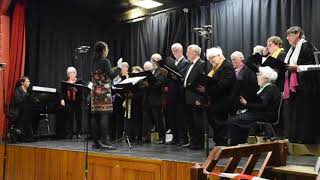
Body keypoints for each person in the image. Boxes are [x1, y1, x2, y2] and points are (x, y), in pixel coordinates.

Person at [283, 26, 320, 144]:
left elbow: (314, 66)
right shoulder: (292, 50)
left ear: (298, 34)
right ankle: (295, 137)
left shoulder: (307, 47)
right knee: (294, 114)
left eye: (290, 35)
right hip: (294, 87)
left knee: (304, 114)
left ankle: (306, 139)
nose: (287, 38)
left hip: (306, 87)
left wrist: (297, 68)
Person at [228, 66, 281, 145]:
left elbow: (263, 105)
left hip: (265, 115)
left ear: (266, 78)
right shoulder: (266, 88)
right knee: (235, 119)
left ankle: (236, 144)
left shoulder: (270, 88)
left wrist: (247, 103)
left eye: (260, 74)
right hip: (259, 113)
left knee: (235, 120)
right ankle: (238, 144)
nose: (257, 76)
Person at [197, 47, 236, 146]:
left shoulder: (227, 66)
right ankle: (218, 143)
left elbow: (224, 85)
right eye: (209, 59)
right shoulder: (216, 67)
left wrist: (207, 89)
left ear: (219, 55)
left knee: (220, 124)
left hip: (223, 100)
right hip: (215, 100)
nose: (211, 61)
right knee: (215, 123)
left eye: (212, 58)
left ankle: (221, 144)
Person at [91, 41, 122, 149]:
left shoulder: (93, 61)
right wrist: (119, 68)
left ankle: (95, 141)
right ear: (103, 50)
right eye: (107, 48)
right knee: (104, 115)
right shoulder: (105, 61)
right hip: (103, 91)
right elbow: (111, 75)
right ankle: (105, 141)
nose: (108, 50)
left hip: (94, 91)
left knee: (95, 115)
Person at [166, 43, 190, 145]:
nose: (175, 52)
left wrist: (175, 76)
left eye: (177, 50)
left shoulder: (185, 62)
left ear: (182, 50)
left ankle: (183, 138)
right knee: (172, 117)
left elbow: (182, 77)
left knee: (181, 117)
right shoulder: (173, 62)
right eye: (173, 51)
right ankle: (175, 137)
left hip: (180, 93)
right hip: (171, 93)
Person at [183, 44, 205, 150]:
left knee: (197, 122)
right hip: (188, 97)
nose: (186, 54)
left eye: (188, 52)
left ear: (195, 53)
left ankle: (199, 143)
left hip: (196, 98)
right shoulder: (189, 64)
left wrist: (199, 98)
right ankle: (193, 141)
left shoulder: (202, 64)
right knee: (190, 121)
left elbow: (202, 83)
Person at [142, 54, 167, 144]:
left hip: (157, 98)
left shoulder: (162, 71)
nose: (153, 61)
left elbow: (160, 83)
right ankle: (147, 136)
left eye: (155, 60)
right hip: (148, 98)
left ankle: (162, 137)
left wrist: (149, 84)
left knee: (158, 119)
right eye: (152, 60)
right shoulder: (151, 71)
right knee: (147, 119)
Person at [9, 76, 34, 141]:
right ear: (22, 83)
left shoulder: (28, 91)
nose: (29, 83)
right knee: (24, 116)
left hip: (24, 110)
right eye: (27, 81)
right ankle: (23, 136)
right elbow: (18, 101)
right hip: (16, 110)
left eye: (29, 81)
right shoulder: (18, 90)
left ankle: (29, 136)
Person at [60, 67, 82, 139]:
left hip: (77, 102)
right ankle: (70, 133)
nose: (72, 74)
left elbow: (82, 92)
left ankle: (78, 133)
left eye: (73, 73)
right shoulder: (65, 82)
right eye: (70, 73)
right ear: (68, 74)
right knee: (69, 117)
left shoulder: (79, 81)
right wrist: (62, 99)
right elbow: (62, 92)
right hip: (69, 102)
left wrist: (77, 90)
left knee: (78, 118)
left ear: (75, 73)